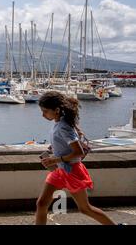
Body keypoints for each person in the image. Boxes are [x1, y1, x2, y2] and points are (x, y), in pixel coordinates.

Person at [35, 91, 116, 225]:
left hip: (72, 171)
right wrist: (53, 149)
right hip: (60, 171)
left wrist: (55, 160)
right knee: (42, 203)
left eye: (45, 111)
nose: (43, 115)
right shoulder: (60, 122)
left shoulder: (64, 127)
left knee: (85, 208)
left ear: (56, 110)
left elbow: (78, 151)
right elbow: (64, 143)